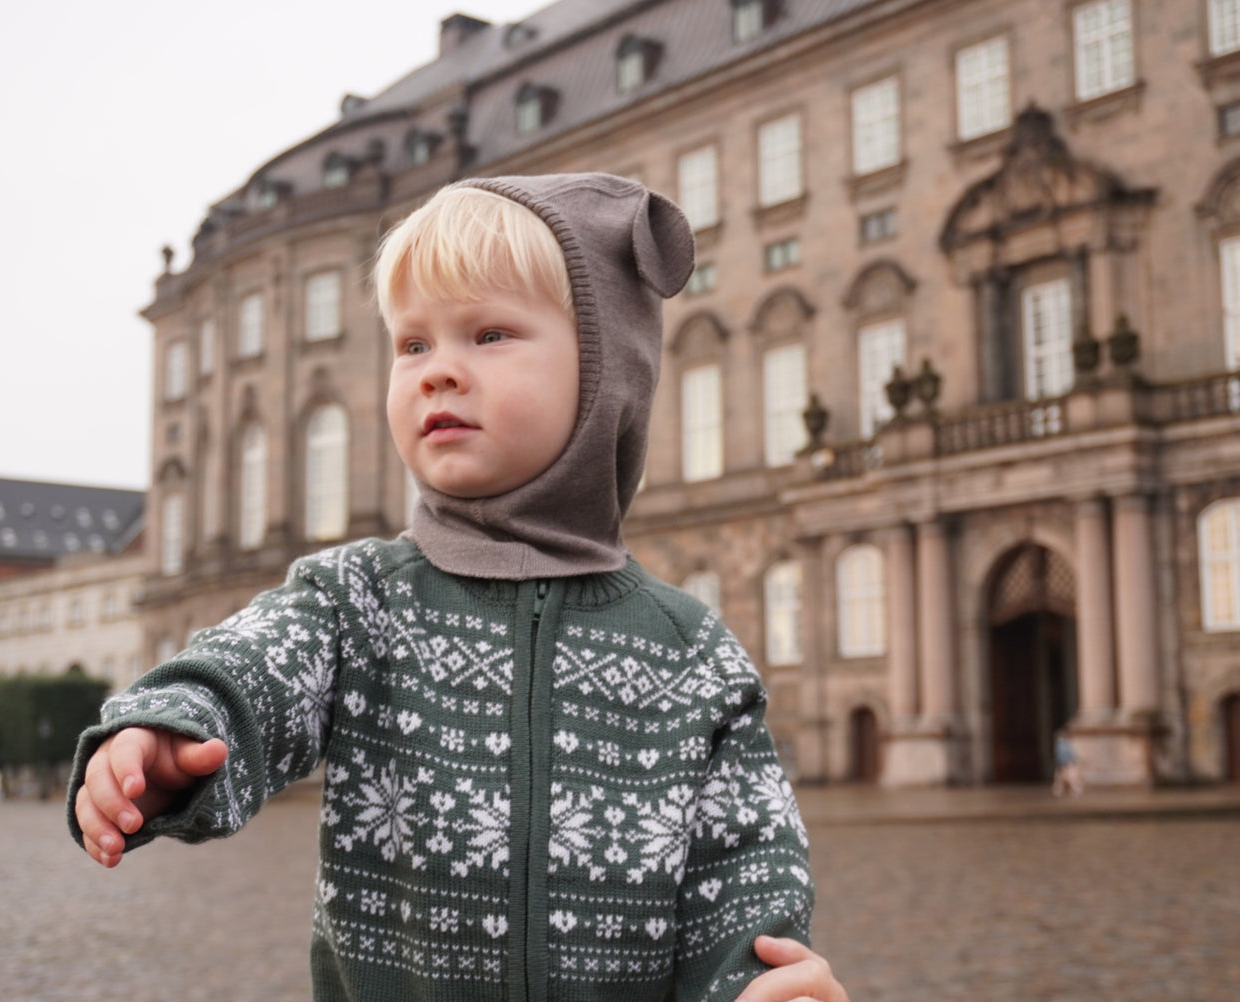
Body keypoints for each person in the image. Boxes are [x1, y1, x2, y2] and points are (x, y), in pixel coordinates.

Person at [69, 173, 848, 1002]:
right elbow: (254, 667)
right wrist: (170, 728)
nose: (438, 371)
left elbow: (746, 865)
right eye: (413, 345)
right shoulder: (356, 600)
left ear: (605, 370)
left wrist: (761, 985)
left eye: (488, 334)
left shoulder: (692, 649)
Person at [1052, 730, 1084, 797]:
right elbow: (1066, 755)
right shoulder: (1062, 745)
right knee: (1068, 778)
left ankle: (1058, 791)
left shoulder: (1061, 745)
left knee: (1064, 779)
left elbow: (1063, 755)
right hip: (1066, 764)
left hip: (1065, 764)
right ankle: (1074, 790)